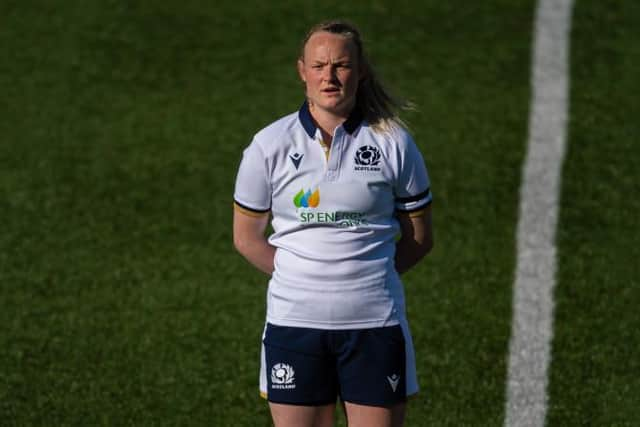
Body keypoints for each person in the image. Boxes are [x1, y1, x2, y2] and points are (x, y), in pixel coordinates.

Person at [233, 20, 433, 427]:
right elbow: (247, 238)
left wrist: (367, 275)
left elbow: (420, 237)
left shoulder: (392, 142)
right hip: (294, 324)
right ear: (302, 70)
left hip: (374, 323)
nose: (329, 75)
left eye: (340, 65)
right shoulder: (268, 145)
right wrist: (302, 275)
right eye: (319, 65)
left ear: (359, 71)